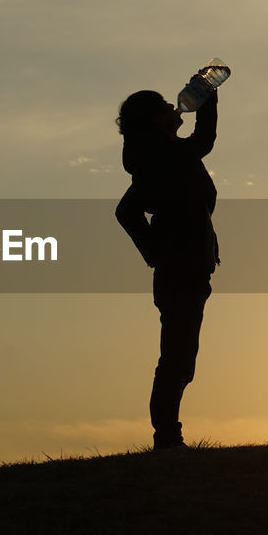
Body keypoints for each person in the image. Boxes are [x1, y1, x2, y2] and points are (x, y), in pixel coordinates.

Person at [115, 80, 219, 449]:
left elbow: (200, 145)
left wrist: (207, 98)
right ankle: (167, 436)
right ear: (155, 119)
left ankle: (167, 434)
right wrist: (157, 253)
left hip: (187, 263)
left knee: (179, 354)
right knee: (177, 355)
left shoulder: (157, 155)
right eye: (163, 107)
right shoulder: (159, 156)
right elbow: (126, 211)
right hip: (181, 265)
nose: (170, 109)